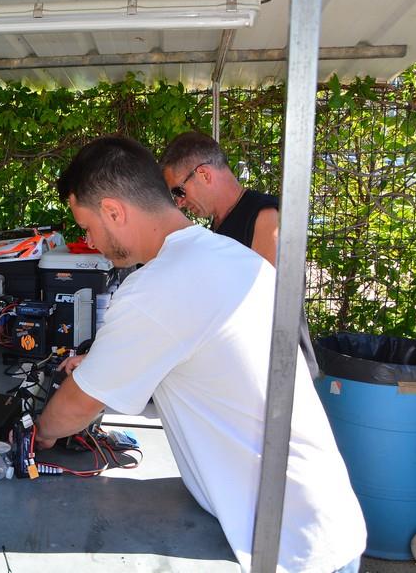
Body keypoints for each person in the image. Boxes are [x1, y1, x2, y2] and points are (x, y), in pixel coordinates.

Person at [36, 136, 365, 572]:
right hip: (323, 521)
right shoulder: (231, 256)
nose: (89, 239)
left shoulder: (156, 286)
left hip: (289, 547)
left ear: (114, 211)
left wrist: (37, 435)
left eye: (88, 225)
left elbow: (75, 409)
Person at [159, 130, 319, 378]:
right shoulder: (220, 223)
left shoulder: (265, 216)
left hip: (278, 374)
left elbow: (267, 302)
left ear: (203, 174)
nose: (179, 202)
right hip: (246, 369)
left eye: (179, 191)